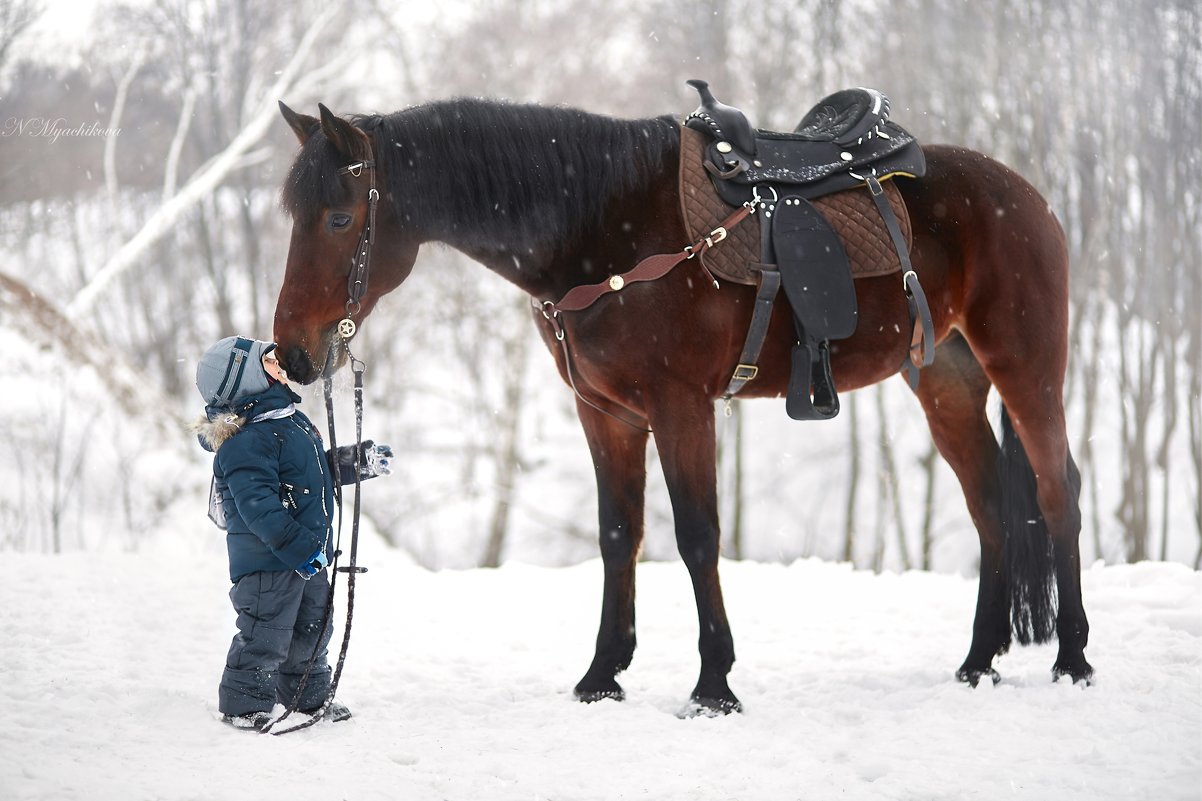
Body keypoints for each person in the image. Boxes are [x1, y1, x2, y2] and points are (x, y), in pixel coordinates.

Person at [193, 336, 392, 730]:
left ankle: (307, 698)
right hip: (270, 564)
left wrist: (358, 462)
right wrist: (300, 548)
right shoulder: (245, 443)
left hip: (309, 554)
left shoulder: (287, 421)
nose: (279, 364)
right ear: (243, 380)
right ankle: (243, 704)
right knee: (265, 634)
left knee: (312, 629)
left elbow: (316, 471)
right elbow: (259, 510)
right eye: (267, 363)